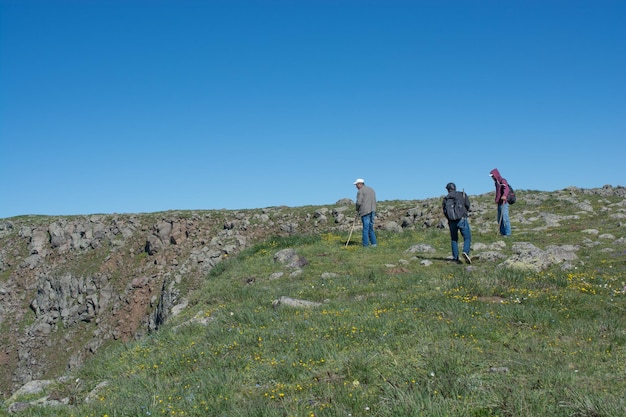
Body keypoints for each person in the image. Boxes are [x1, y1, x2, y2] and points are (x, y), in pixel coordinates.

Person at [442, 182, 472, 264]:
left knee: (454, 239)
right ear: (455, 188)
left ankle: (455, 258)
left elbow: (445, 211)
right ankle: (465, 251)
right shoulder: (462, 194)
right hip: (462, 219)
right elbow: (468, 205)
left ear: (448, 190)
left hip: (451, 221)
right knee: (467, 237)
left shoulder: (445, 199)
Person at [353, 178, 377, 247]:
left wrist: (357, 210)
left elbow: (359, 202)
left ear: (360, 184)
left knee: (365, 229)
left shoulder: (360, 191)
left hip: (365, 211)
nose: (356, 186)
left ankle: (365, 245)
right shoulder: (372, 190)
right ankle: (374, 244)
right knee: (370, 228)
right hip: (372, 210)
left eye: (357, 185)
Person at [490, 168, 511, 236]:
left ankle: (508, 233)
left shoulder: (502, 180)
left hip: (504, 203)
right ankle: (502, 233)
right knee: (499, 219)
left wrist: (504, 195)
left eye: (493, 176)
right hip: (499, 203)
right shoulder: (497, 183)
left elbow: (506, 188)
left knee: (505, 218)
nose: (492, 177)